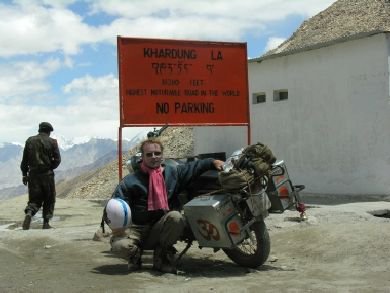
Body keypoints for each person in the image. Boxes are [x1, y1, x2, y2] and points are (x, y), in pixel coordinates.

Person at [109, 138, 224, 274]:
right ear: (142, 157)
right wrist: (117, 226)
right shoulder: (131, 181)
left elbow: (195, 167)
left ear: (162, 155)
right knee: (120, 247)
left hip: (161, 227)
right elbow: (116, 205)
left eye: (157, 153)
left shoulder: (173, 173)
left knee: (176, 217)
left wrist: (213, 162)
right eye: (149, 154)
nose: (154, 157)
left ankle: (161, 256)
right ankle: (136, 255)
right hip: (137, 229)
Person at [20, 122, 61, 230]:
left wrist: (24, 174)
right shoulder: (52, 142)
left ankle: (29, 212)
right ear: (48, 131)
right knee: (49, 198)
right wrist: (50, 167)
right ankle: (46, 223)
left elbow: (24, 160)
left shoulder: (30, 140)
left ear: (39, 130)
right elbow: (57, 159)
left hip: (33, 175)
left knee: (34, 199)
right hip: (47, 175)